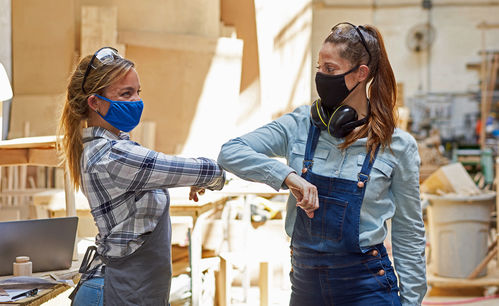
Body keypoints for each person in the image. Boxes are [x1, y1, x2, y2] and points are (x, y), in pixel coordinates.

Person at [218, 23, 427, 305]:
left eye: (330, 69)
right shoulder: (300, 124)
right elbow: (231, 152)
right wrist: (289, 176)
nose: (320, 76)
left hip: (367, 288)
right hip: (305, 288)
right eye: (319, 67)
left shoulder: (396, 145)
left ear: (360, 74)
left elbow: (409, 232)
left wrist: (412, 301)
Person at [58, 47, 225, 306]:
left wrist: (195, 178)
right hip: (114, 292)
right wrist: (215, 173)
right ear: (95, 102)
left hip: (130, 291)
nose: (136, 100)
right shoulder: (112, 156)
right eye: (126, 94)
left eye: (138, 92)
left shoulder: (118, 148)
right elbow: (204, 170)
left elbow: (165, 173)